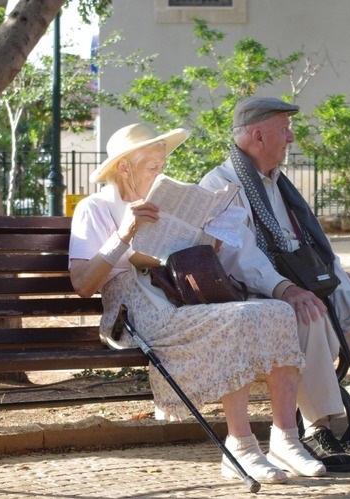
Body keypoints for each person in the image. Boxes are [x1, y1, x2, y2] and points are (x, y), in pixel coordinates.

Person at [69, 123, 327, 484]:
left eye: (162, 164)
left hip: (179, 295)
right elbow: (83, 283)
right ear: (124, 167)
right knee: (234, 320)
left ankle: (285, 438)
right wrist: (123, 233)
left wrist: (208, 236)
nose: (161, 172)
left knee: (277, 311)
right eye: (152, 167)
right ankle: (240, 445)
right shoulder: (94, 208)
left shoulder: (162, 200)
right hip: (134, 311)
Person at [199, 96, 350, 472]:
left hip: (311, 287)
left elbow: (309, 243)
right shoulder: (220, 184)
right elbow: (238, 257)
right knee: (308, 315)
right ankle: (318, 427)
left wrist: (340, 278)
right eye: (285, 129)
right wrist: (285, 289)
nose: (292, 138)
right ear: (257, 135)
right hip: (267, 298)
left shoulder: (279, 183)